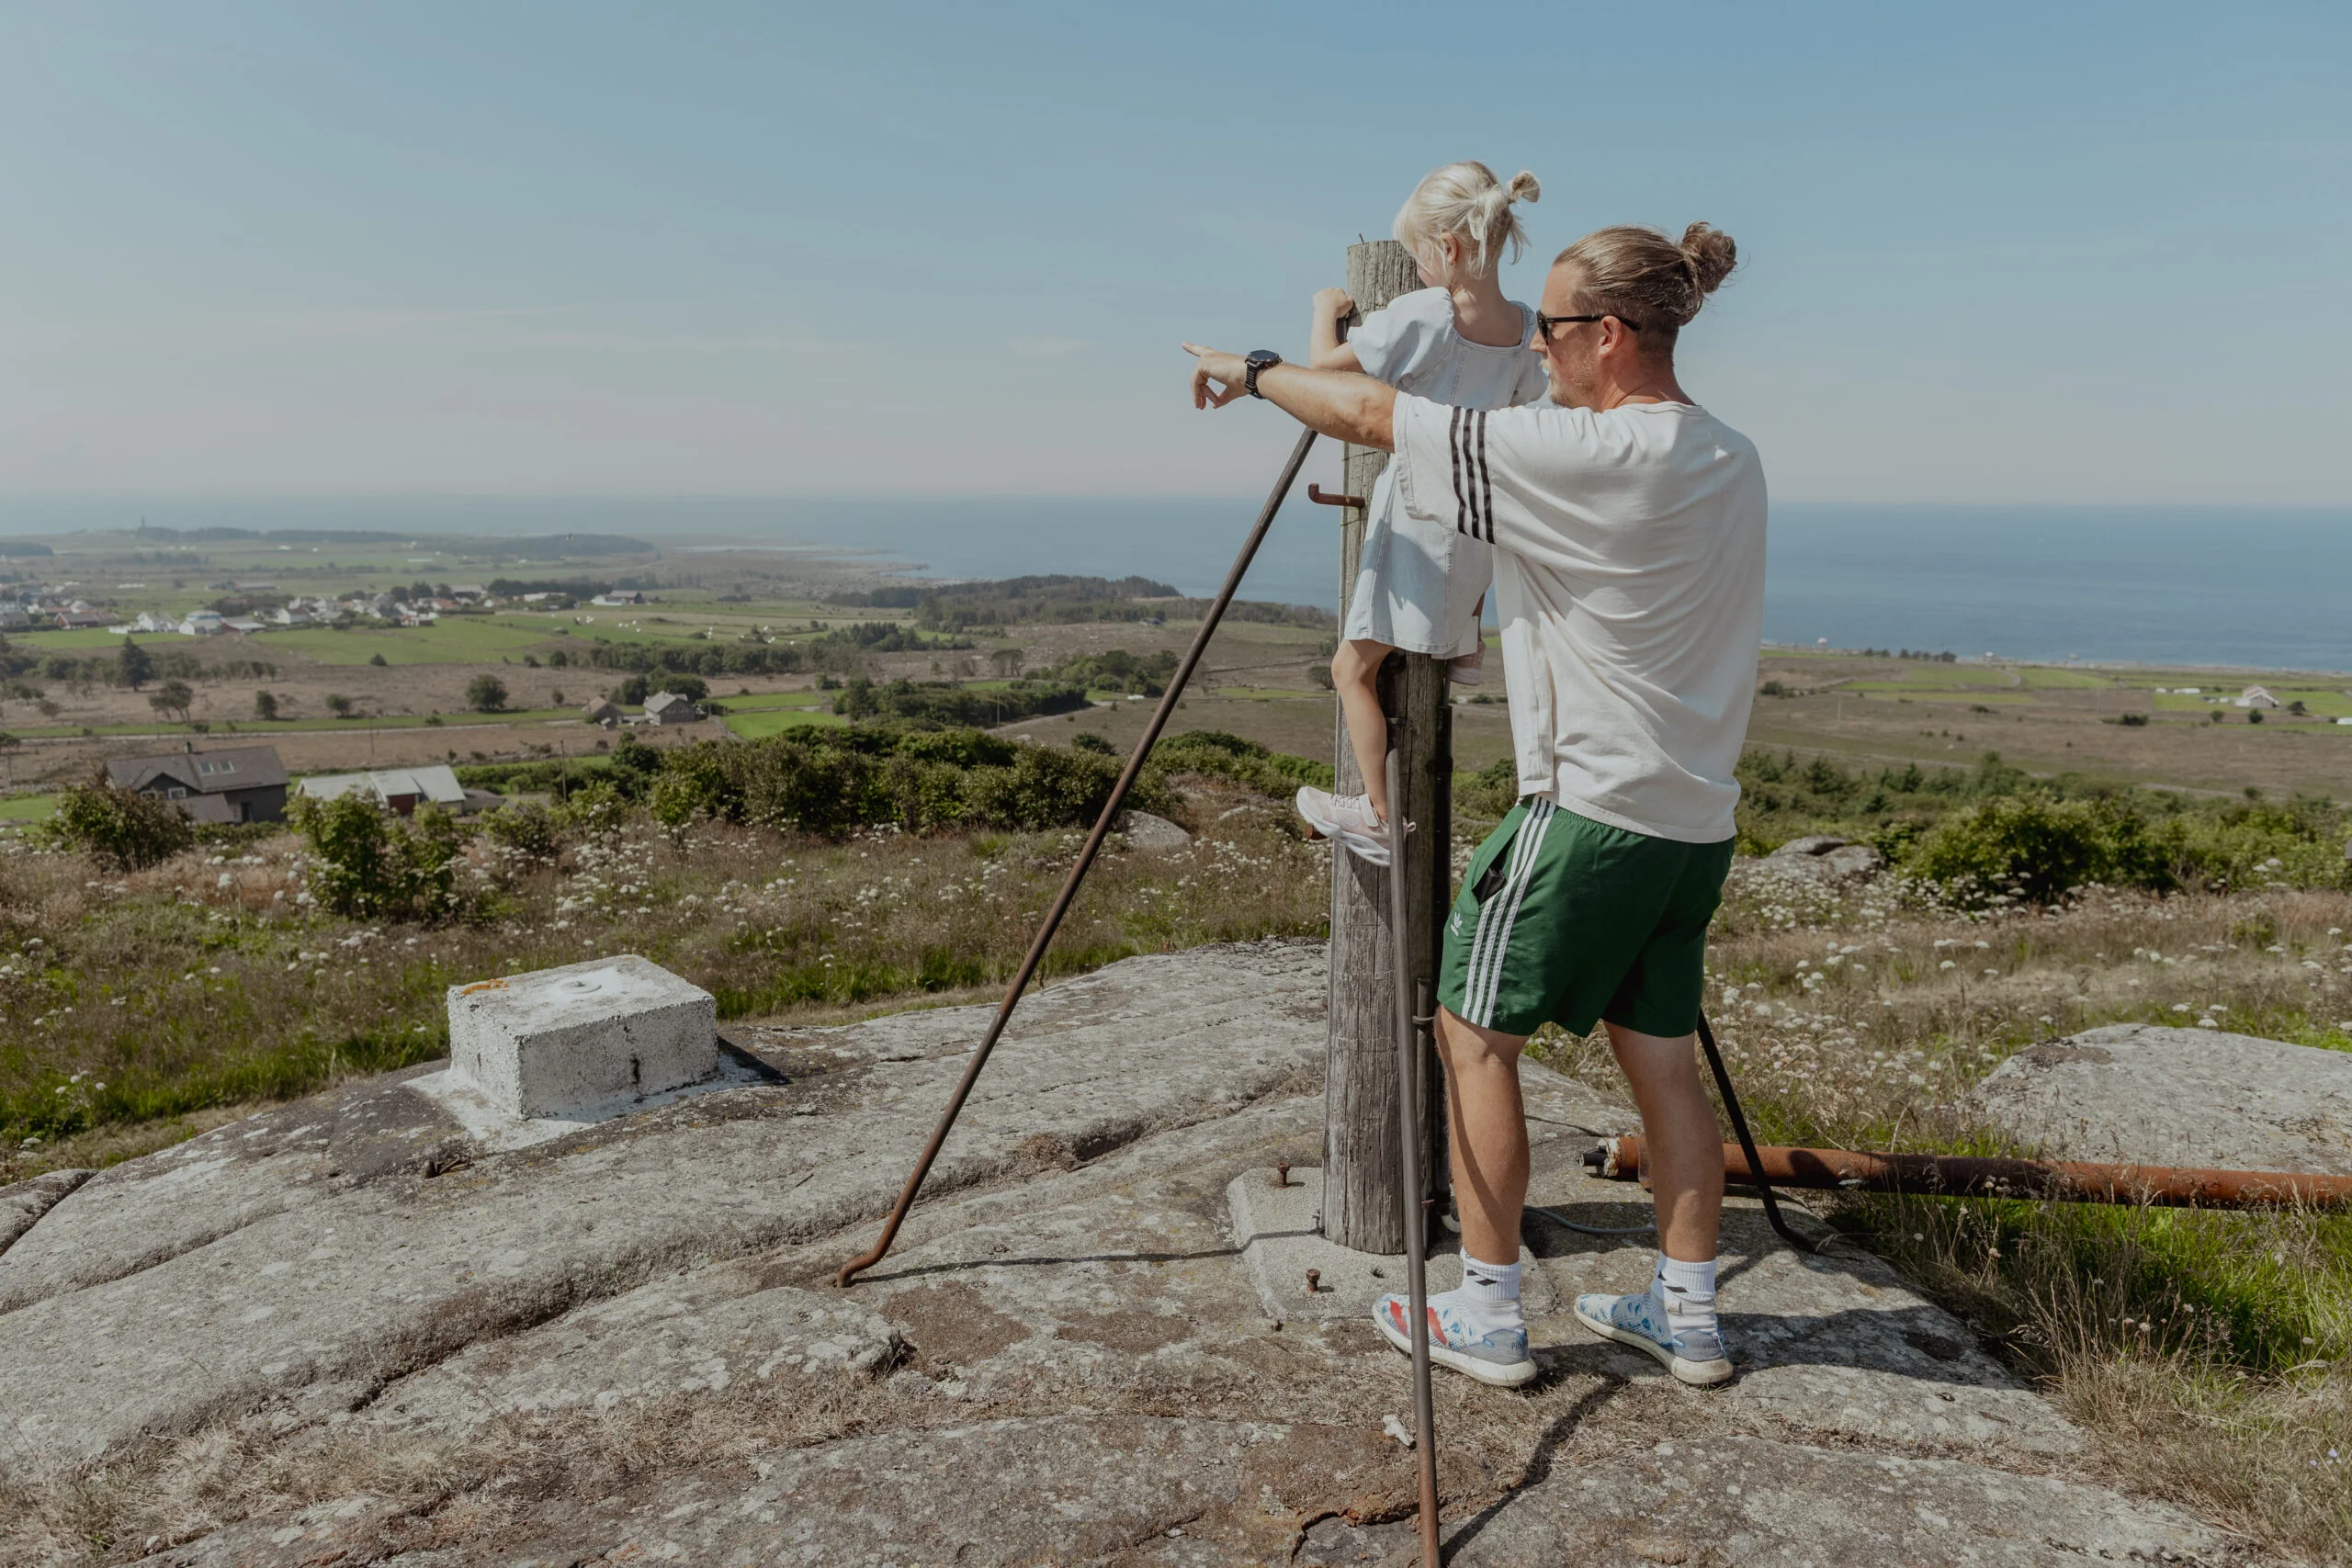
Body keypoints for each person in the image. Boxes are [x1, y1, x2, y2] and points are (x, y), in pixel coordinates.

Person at [1184, 220, 1763, 1390]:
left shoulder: (1583, 454)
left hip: (1588, 808)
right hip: (1695, 820)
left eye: (1551, 333)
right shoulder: (1726, 453)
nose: (1538, 353)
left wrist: (1248, 370)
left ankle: (1488, 1314)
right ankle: (1687, 1316)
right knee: (1661, 1067)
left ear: (1604, 336)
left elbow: (1366, 417)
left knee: (1470, 1035)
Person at [1291, 162, 1549, 868]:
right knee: (1446, 599)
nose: (1415, 269)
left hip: (1413, 514)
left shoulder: (1428, 312)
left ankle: (1374, 812)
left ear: (1450, 248)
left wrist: (1325, 307)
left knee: (1350, 669)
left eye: (1416, 255)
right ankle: (1462, 640)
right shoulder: (1528, 326)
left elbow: (1326, 372)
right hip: (1477, 517)